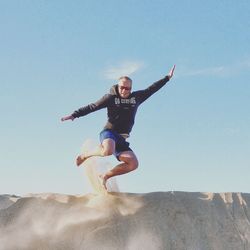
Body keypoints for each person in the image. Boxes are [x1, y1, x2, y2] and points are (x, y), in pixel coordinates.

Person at [61, 65, 175, 190]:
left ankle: (105, 176)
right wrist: (74, 115)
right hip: (109, 133)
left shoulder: (136, 98)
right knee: (108, 151)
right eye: (122, 87)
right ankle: (84, 155)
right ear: (118, 86)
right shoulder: (110, 98)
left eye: (127, 88)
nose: (124, 91)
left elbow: (152, 89)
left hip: (121, 138)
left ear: (131, 88)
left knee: (133, 164)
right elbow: (92, 106)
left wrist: (167, 78)